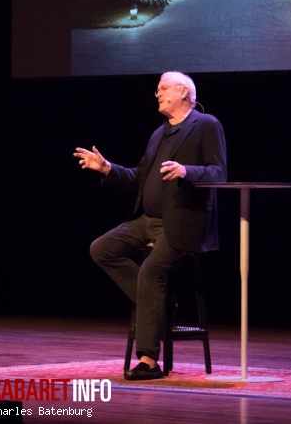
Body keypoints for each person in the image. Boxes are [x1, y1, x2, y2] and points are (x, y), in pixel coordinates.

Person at [74, 71, 227, 380]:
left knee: (150, 271)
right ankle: (161, 304)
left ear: (184, 91)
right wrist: (107, 168)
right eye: (157, 89)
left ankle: (148, 361)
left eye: (163, 88)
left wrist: (187, 171)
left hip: (183, 223)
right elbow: (138, 179)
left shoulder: (207, 124)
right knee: (102, 248)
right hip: (147, 221)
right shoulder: (158, 133)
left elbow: (219, 173)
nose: (157, 93)